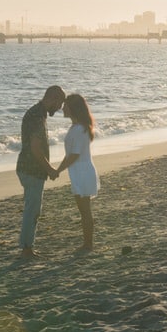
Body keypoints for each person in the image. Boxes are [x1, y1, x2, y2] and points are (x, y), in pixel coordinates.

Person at [16, 85, 65, 260]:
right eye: (59, 104)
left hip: (28, 168)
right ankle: (26, 249)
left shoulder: (38, 113)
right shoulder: (37, 116)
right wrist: (49, 169)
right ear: (53, 99)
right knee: (32, 210)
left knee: (32, 208)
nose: (59, 109)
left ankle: (26, 247)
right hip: (31, 169)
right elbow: (36, 149)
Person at [54, 93, 100, 253]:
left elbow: (74, 155)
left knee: (85, 210)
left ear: (73, 108)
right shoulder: (76, 127)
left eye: (65, 105)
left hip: (82, 171)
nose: (62, 108)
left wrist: (57, 170)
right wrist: (58, 169)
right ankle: (87, 243)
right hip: (79, 171)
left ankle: (88, 244)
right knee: (84, 210)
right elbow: (71, 155)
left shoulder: (80, 129)